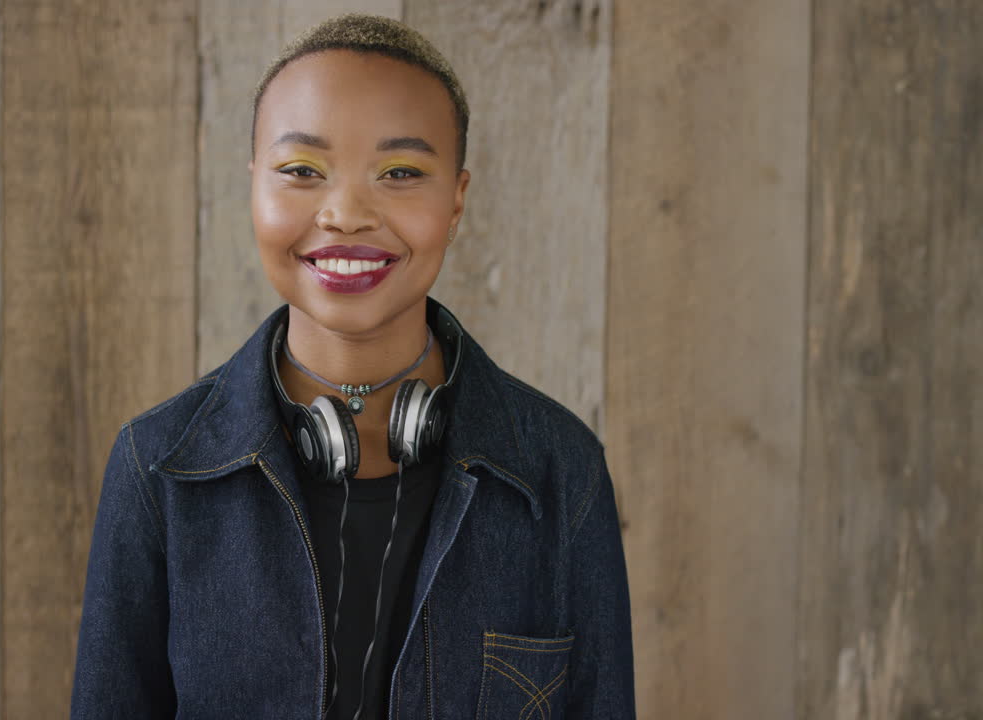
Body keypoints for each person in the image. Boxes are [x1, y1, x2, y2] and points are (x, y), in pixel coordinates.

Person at [71, 13, 634, 720]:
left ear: (456, 200)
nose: (345, 213)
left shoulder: (561, 471)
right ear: (254, 186)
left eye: (400, 172)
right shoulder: (155, 469)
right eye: (302, 171)